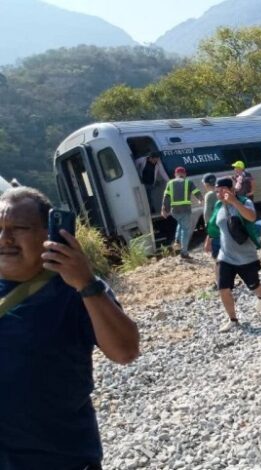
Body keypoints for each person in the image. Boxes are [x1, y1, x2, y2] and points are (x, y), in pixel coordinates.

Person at [0, 187, 139, 469]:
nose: (5, 238)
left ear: (50, 234)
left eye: (19, 228)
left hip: (60, 460)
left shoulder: (74, 287)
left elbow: (125, 351)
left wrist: (86, 283)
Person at [205, 177, 261, 332]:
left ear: (231, 190)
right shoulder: (218, 206)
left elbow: (251, 217)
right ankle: (233, 320)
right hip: (225, 256)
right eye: (217, 191)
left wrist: (234, 202)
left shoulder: (245, 202)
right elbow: (214, 225)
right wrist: (209, 239)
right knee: (223, 288)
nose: (219, 194)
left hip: (246, 256)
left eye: (222, 190)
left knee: (255, 286)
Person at [161, 166, 203, 259]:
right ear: (184, 174)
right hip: (185, 209)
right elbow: (196, 192)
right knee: (185, 230)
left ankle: (177, 241)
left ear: (175, 174)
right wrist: (200, 199)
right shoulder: (188, 182)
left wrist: (164, 210)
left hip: (175, 211)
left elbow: (166, 197)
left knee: (180, 224)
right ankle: (184, 252)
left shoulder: (170, 183)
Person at [202, 173, 220, 287]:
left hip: (215, 229)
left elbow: (207, 215)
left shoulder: (209, 195)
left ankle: (219, 282)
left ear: (206, 184)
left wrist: (208, 234)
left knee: (217, 257)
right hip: (224, 227)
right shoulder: (220, 192)